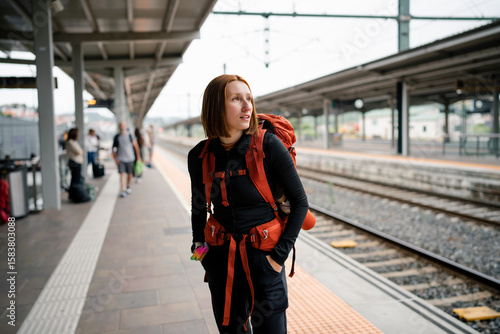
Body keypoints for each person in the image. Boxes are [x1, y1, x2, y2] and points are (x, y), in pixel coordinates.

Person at [188, 74, 308, 333]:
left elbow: (300, 203)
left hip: (265, 261)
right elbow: (198, 208)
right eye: (236, 99)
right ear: (216, 107)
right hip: (221, 263)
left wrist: (277, 260)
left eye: (249, 99)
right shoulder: (199, 155)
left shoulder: (268, 145)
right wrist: (201, 256)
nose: (247, 107)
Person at [112, 122, 141, 198]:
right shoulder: (116, 137)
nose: (121, 127)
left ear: (125, 126)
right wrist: (115, 158)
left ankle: (128, 186)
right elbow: (114, 149)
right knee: (122, 173)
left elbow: (136, 146)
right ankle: (123, 190)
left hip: (130, 158)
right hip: (121, 159)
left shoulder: (130, 136)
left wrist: (138, 157)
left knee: (130, 174)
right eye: (120, 126)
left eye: (123, 126)